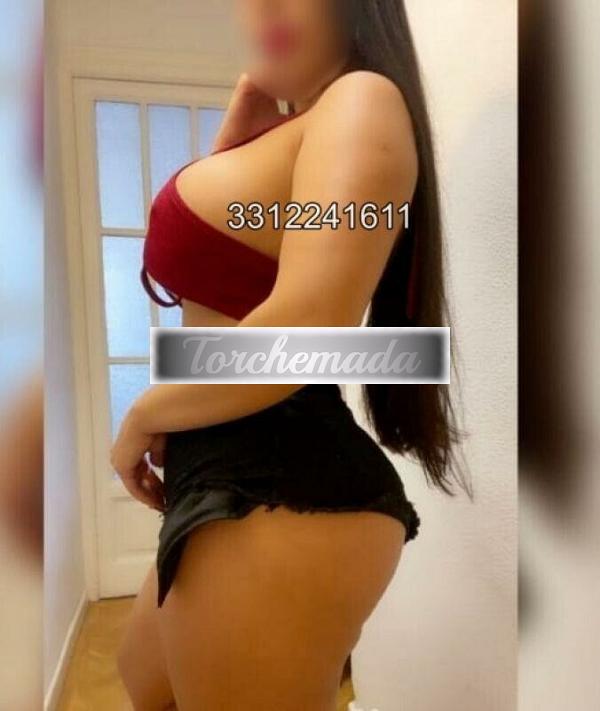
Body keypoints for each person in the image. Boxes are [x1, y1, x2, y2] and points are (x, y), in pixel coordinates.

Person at [113, 1, 466, 709]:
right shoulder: (314, 125)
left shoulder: (362, 99)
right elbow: (232, 283)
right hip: (233, 471)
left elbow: (308, 327)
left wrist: (146, 413)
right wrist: (233, 149)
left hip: (278, 482)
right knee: (144, 679)